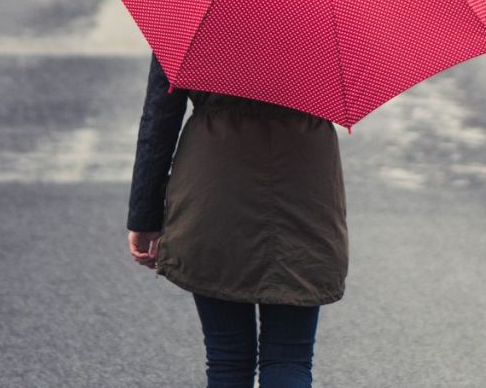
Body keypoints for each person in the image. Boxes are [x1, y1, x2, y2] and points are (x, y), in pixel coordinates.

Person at [126, 51, 349, 388]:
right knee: (289, 357)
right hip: (304, 180)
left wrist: (144, 215)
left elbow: (159, 118)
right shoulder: (327, 27)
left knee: (227, 357)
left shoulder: (192, 23)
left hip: (214, 182)